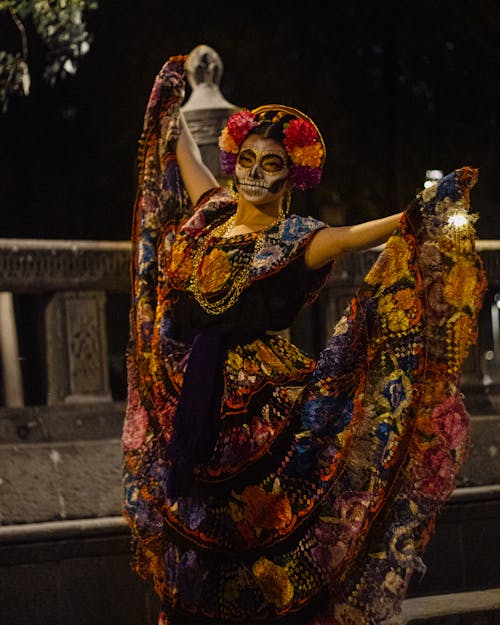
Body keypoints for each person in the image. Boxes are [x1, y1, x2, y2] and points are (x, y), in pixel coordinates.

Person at [122, 53, 487, 625]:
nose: (254, 174)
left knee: (261, 536)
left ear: (293, 175)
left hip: (256, 411)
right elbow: (186, 158)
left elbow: (350, 237)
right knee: (195, 534)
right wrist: (167, 103)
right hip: (189, 393)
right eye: (246, 160)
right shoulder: (213, 214)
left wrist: (419, 212)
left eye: (271, 165)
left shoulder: (297, 238)